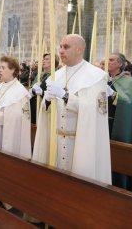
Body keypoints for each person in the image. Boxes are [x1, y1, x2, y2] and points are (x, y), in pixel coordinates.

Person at [32, 34, 111, 185]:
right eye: (60, 46)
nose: (61, 51)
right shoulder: (55, 76)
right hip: (55, 141)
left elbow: (95, 111)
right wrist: (46, 102)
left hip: (80, 144)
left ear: (79, 49)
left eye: (66, 47)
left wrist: (66, 96)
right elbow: (47, 113)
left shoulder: (96, 77)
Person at [107, 53, 132, 192]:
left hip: (118, 126)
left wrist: (114, 95)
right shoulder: (102, 79)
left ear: (120, 64)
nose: (107, 62)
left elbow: (131, 103)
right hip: (101, 126)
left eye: (111, 60)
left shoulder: (129, 82)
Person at [0, 56, 31, 159]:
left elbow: (18, 117)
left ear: (13, 70)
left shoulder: (20, 92)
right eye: (0, 68)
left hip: (10, 135)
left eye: (3, 68)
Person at [29, 53, 59, 124]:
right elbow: (32, 89)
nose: (43, 61)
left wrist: (42, 92)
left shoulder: (56, 76)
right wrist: (32, 91)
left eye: (47, 59)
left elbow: (56, 96)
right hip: (34, 107)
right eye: (43, 59)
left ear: (54, 61)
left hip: (45, 110)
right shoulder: (40, 74)